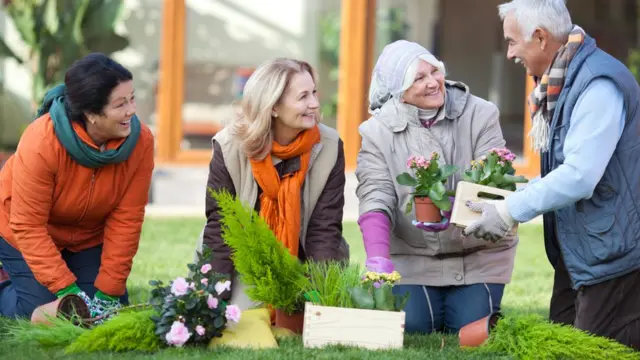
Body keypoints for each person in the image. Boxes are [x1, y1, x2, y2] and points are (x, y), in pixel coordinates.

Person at [465, 0, 640, 349]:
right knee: (560, 341)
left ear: (541, 38)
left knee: (592, 350)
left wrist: (508, 210)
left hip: (614, 256)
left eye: (513, 41)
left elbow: (579, 175)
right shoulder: (562, 81)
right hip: (582, 250)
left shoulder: (596, 84)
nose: (511, 53)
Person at [355, 40, 518, 334]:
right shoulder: (376, 132)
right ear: (398, 91)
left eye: (435, 71)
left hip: (478, 253)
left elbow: (494, 185)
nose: (433, 83)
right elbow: (374, 193)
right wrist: (378, 258)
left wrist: (453, 209)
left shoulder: (480, 114)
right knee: (416, 325)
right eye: (419, 78)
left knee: (468, 327)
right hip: (412, 257)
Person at [0, 53, 155, 320]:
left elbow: (127, 219)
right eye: (120, 104)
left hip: (86, 238)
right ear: (92, 114)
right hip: (22, 232)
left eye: (132, 98)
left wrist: (110, 290)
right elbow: (28, 225)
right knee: (43, 309)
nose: (131, 110)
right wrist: (65, 288)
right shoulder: (42, 141)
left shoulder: (140, 142)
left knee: (102, 312)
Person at [196, 58, 349, 309]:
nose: (314, 104)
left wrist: (323, 297)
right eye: (303, 97)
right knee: (243, 319)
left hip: (304, 261)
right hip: (243, 262)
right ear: (273, 106)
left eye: (314, 93)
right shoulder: (229, 146)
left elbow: (324, 229)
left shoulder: (330, 145)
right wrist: (212, 300)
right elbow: (221, 227)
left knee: (296, 316)